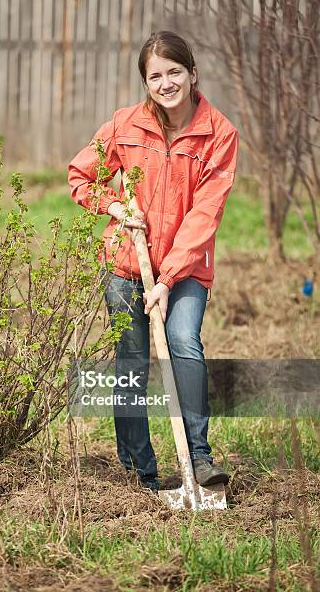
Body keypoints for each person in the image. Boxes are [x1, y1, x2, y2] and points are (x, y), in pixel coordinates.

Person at [68, 30, 238, 491]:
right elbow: (82, 176)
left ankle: (199, 458)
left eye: (174, 72)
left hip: (185, 270)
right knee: (132, 360)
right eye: (155, 75)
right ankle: (138, 469)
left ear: (192, 73)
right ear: (146, 82)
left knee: (184, 341)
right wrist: (115, 207)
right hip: (126, 264)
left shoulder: (219, 134)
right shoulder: (126, 125)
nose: (166, 83)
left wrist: (166, 280)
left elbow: (206, 213)